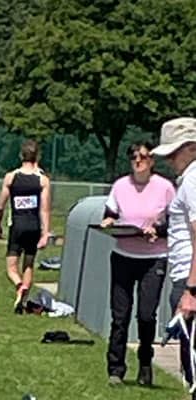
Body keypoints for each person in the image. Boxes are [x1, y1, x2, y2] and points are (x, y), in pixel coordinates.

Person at [99, 141, 174, 386]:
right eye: (134, 157)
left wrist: (158, 229)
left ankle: (145, 363)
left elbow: (175, 222)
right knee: (120, 316)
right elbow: (110, 212)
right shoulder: (121, 186)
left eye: (143, 157)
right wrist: (109, 221)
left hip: (153, 258)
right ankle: (115, 369)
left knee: (145, 315)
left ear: (152, 161)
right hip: (124, 255)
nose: (138, 161)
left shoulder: (164, 187)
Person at [150, 117, 196, 398]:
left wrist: (191, 290)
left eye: (173, 152)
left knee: (193, 366)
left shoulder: (193, 180)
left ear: (192, 147)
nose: (168, 160)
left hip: (190, 283)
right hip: (187, 277)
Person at [0, 139, 51, 314]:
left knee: (11, 267)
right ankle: (23, 299)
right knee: (28, 264)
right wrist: (45, 233)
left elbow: (0, 206)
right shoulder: (42, 180)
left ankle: (19, 285)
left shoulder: (11, 177)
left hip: (17, 226)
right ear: (38, 156)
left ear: (21, 155)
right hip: (33, 226)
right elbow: (45, 209)